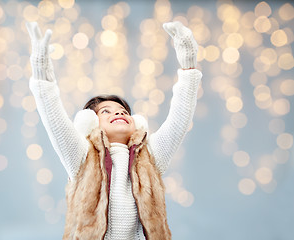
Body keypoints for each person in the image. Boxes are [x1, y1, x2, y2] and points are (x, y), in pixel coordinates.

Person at [26, 20, 202, 240]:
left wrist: (189, 67)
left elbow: (179, 119)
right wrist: (42, 76)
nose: (118, 113)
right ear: (90, 123)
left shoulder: (150, 155)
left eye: (122, 111)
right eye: (106, 112)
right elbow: (54, 120)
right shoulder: (82, 156)